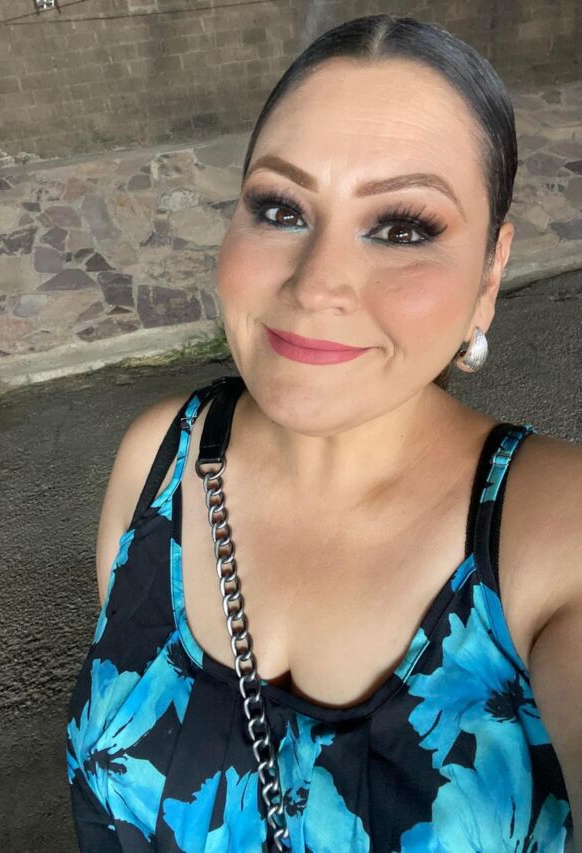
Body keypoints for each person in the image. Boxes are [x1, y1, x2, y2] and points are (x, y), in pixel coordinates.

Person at [66, 14, 581, 852]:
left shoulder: (555, 533)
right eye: (280, 208)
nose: (317, 285)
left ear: (491, 272)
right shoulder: (158, 461)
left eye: (404, 227)